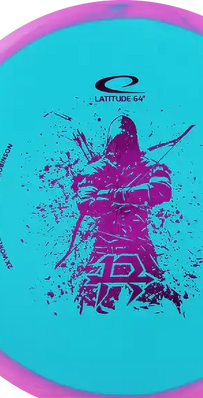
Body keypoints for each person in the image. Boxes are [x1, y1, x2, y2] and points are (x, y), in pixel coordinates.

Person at [71, 115, 182, 314]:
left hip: (140, 245)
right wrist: (131, 195)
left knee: (156, 304)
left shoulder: (149, 167)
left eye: (127, 140)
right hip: (104, 246)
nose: (122, 146)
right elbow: (86, 203)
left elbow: (161, 190)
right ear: (110, 141)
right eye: (118, 140)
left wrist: (114, 195)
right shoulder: (94, 169)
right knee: (88, 303)